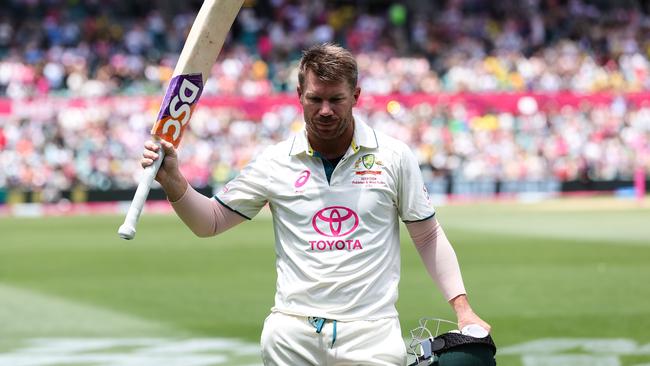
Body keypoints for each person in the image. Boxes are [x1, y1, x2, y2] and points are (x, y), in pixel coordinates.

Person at [141, 43, 491, 366]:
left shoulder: (394, 156)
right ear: (299, 96)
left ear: (355, 96)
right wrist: (175, 182)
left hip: (371, 333)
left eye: (336, 99)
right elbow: (211, 222)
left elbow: (427, 236)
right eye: (315, 99)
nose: (325, 111)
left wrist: (463, 308)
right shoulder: (274, 161)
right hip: (291, 334)